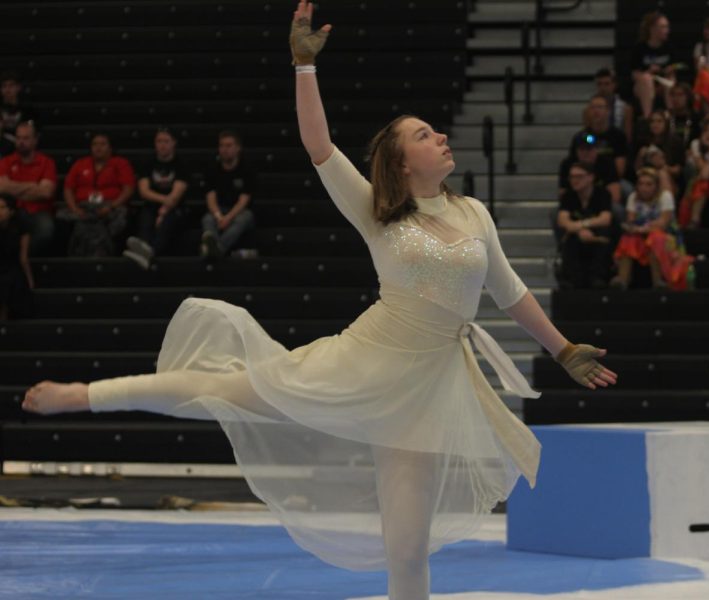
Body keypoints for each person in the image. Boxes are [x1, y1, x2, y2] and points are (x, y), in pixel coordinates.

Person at [22, 3, 619, 600]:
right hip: (361, 361)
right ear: (401, 162)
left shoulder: (474, 213)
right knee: (220, 390)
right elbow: (318, 145)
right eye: (423, 134)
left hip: (428, 393)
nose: (439, 136)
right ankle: (86, 395)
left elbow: (510, 293)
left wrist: (563, 349)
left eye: (434, 131)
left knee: (407, 552)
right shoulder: (376, 210)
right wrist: (303, 66)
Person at [611, 167, 693, 290]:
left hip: (666, 237)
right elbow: (631, 222)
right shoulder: (633, 197)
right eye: (641, 184)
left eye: (649, 184)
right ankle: (623, 280)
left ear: (656, 186)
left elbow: (663, 223)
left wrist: (641, 229)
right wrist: (635, 228)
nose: (644, 188)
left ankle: (658, 281)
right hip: (641, 236)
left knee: (655, 238)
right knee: (628, 239)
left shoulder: (665, 196)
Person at [124, 128, 189, 269]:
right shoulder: (148, 163)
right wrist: (162, 203)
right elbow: (144, 192)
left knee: (168, 221)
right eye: (159, 141)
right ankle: (145, 250)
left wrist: (163, 211)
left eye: (166, 141)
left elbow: (176, 195)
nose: (162, 145)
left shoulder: (181, 164)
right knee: (146, 218)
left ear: (174, 143)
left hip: (175, 207)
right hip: (152, 206)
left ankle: (148, 253)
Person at [61, 133, 135, 256]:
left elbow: (128, 189)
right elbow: (68, 189)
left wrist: (111, 206)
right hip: (83, 207)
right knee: (70, 220)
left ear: (110, 148)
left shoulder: (121, 163)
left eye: (102, 144)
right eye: (95, 144)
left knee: (116, 220)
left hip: (110, 206)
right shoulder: (80, 164)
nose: (98, 147)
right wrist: (74, 208)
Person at [0, 121, 57, 255]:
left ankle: (21, 255)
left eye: (25, 138)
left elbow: (46, 192)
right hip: (11, 211)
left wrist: (12, 187)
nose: (21, 142)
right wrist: (33, 187)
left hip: (38, 212)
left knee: (46, 228)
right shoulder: (6, 162)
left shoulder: (46, 162)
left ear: (35, 140)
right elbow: (1, 187)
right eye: (18, 138)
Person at [555, 161, 614, 289]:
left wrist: (581, 226)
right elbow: (562, 220)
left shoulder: (602, 193)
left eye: (579, 176)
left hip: (598, 236)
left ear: (591, 177)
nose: (574, 180)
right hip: (576, 237)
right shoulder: (568, 196)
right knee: (570, 240)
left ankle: (598, 279)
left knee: (604, 236)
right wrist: (580, 230)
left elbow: (605, 219)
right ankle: (571, 281)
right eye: (572, 177)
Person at [200, 130, 256, 259]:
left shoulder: (247, 169)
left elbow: (243, 200)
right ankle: (213, 246)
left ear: (238, 148)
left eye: (229, 145)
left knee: (245, 217)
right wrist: (219, 217)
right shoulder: (212, 169)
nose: (224, 149)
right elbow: (210, 197)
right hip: (220, 210)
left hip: (238, 212)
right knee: (208, 219)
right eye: (222, 145)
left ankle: (216, 248)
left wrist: (228, 218)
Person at [631, 11, 676, 119]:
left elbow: (674, 68)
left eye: (667, 27)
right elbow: (634, 75)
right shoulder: (640, 48)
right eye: (663, 27)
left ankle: (671, 114)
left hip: (663, 83)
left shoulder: (669, 47)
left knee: (670, 80)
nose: (667, 30)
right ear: (653, 29)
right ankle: (648, 117)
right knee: (646, 79)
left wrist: (668, 70)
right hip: (643, 85)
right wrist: (649, 72)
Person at [633, 109, 685, 196]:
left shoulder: (675, 141)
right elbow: (637, 171)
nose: (655, 124)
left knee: (661, 174)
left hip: (670, 179)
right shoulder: (643, 141)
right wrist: (640, 156)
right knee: (646, 180)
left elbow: (678, 170)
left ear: (666, 123)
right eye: (652, 121)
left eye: (659, 121)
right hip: (646, 178)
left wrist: (663, 166)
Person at [0, 194, 35, 319]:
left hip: (11, 267)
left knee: (11, 281)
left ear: (11, 211)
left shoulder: (21, 227)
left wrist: (30, 279)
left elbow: (23, 257)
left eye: (2, 207)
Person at [1, 71, 38, 157]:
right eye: (4, 86)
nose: (8, 90)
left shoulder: (27, 109)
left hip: (22, 147)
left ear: (18, 87)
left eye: (11, 86)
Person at [594, 68, 634, 144]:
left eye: (607, 84)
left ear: (614, 85)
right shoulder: (590, 108)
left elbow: (627, 137)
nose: (603, 88)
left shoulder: (625, 108)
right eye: (599, 84)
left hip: (617, 145)